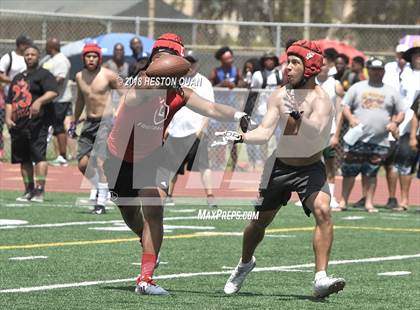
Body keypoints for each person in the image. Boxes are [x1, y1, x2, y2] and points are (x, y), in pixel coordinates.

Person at [103, 33, 250, 295]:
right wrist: (160, 71)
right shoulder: (143, 82)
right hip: (118, 157)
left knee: (154, 210)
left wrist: (239, 114)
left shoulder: (180, 92)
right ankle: (143, 240)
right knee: (129, 213)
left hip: (149, 158)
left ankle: (145, 279)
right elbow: (139, 94)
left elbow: (212, 109)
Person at [220, 40, 346, 298]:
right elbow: (265, 132)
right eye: (288, 61)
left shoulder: (322, 99)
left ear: (309, 68)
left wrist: (298, 116)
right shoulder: (279, 94)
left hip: (310, 167)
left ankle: (320, 277)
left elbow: (318, 133)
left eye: (295, 62)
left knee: (323, 211)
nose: (287, 67)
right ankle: (245, 262)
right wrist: (240, 137)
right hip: (279, 167)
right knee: (258, 224)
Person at [338, 58, 404, 213]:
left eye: (379, 69)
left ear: (383, 71)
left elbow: (401, 112)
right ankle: (343, 201)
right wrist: (351, 118)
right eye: (373, 69)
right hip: (357, 138)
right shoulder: (357, 87)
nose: (376, 72)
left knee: (371, 172)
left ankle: (369, 203)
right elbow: (345, 107)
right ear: (368, 70)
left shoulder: (391, 91)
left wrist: (395, 123)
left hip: (379, 140)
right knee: (349, 171)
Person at [70, 43, 121, 214]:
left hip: (105, 122)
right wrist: (74, 120)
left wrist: (118, 113)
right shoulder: (79, 76)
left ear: (99, 58)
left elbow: (126, 93)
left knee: (100, 162)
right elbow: (80, 101)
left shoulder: (109, 75)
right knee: (83, 164)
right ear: (83, 58)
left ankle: (100, 204)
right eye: (88, 56)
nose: (91, 59)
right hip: (89, 123)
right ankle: (102, 188)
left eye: (94, 56)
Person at [163, 50, 217, 208]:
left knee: (203, 165)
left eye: (192, 62)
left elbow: (210, 108)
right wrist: (167, 127)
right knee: (170, 165)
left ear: (197, 64)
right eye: (187, 62)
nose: (190, 65)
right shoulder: (175, 80)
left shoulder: (204, 82)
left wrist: (202, 128)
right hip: (175, 131)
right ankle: (168, 195)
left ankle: (210, 196)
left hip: (195, 132)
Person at [4, 45, 58, 202]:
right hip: (19, 124)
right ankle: (29, 190)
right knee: (24, 159)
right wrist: (8, 118)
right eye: (27, 54)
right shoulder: (18, 77)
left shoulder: (44, 75)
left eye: (32, 54)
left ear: (38, 56)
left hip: (38, 123)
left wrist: (39, 101)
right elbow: (9, 101)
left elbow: (53, 92)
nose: (29, 57)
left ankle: (40, 191)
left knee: (39, 156)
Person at [245, 51, 282, 171]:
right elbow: (253, 92)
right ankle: (259, 162)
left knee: (278, 138)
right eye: (267, 59)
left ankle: (276, 163)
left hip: (277, 112)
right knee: (261, 138)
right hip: (261, 111)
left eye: (272, 59)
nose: (269, 61)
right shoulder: (257, 75)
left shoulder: (279, 74)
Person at [316, 57, 344, 209]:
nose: (321, 67)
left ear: (330, 66)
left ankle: (331, 197)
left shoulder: (335, 84)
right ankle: (307, 196)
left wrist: (336, 134)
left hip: (329, 131)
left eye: (324, 64)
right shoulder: (308, 83)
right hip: (311, 132)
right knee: (310, 165)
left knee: (329, 165)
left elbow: (340, 111)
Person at [41, 37, 72, 167]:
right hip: (50, 100)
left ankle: (62, 157)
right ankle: (40, 155)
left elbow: (60, 79)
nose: (45, 48)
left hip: (59, 99)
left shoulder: (61, 60)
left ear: (52, 47)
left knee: (58, 127)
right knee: (44, 126)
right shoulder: (51, 60)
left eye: (47, 46)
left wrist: (42, 84)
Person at [0, 35, 32, 160]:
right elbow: (1, 76)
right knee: (4, 125)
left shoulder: (28, 58)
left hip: (25, 100)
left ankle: (22, 153)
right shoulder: (8, 57)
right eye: (26, 45)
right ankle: (2, 153)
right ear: (21, 45)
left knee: (23, 127)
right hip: (8, 98)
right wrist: (15, 81)